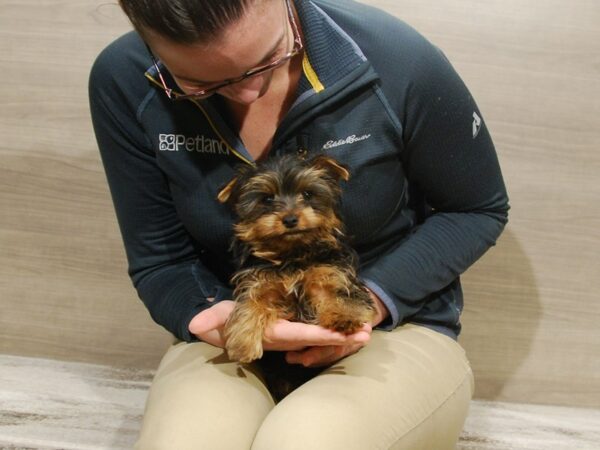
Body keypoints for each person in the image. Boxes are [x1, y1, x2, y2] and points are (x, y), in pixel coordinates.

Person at [89, 0, 509, 448]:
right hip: (236, 325)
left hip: (394, 329)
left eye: (268, 58)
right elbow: (161, 261)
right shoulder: (125, 79)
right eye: (198, 85)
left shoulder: (397, 59)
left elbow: (477, 209)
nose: (248, 94)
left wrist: (365, 301)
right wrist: (207, 315)